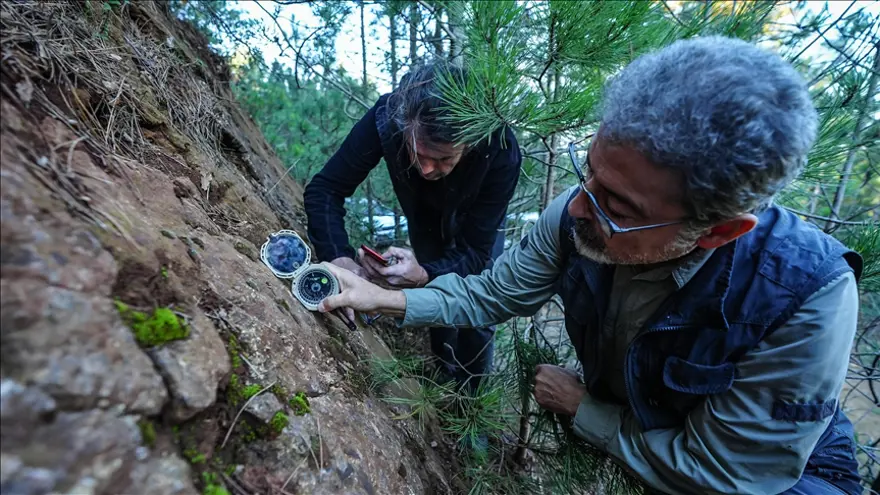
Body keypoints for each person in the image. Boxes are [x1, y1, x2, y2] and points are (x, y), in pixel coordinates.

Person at [315, 36, 864, 495]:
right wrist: (383, 298)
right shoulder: (581, 213)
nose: (577, 208)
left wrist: (586, 410)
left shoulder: (806, 297)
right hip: (650, 445)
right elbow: (491, 293)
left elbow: (730, 472)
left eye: (619, 206)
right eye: (589, 174)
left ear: (719, 231)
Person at [303, 61, 521, 390]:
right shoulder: (388, 117)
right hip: (425, 216)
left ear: (471, 141)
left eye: (445, 159)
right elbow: (326, 190)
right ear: (404, 124)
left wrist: (423, 273)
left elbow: (476, 251)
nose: (428, 168)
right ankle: (441, 374)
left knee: (478, 311)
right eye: (419, 152)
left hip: (479, 225)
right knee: (434, 295)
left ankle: (471, 401)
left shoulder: (500, 147)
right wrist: (340, 257)